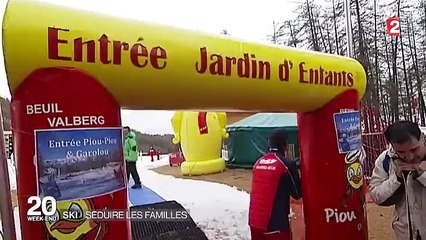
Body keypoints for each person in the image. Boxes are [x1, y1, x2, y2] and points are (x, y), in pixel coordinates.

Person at [369, 121, 426, 240]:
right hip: (405, 234)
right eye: (401, 152)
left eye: (414, 150)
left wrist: (423, 174)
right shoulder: (386, 160)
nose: (409, 157)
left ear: (421, 138)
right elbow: (375, 194)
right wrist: (396, 178)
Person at [248, 129, 302, 240]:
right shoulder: (286, 165)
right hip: (275, 225)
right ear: (286, 144)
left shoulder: (258, 162)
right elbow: (297, 193)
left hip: (254, 223)